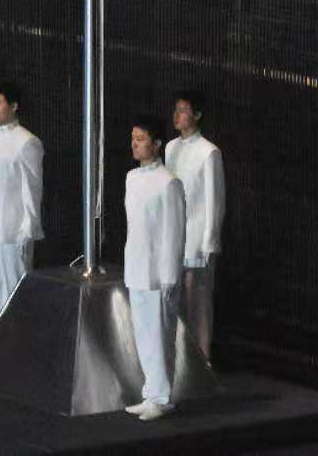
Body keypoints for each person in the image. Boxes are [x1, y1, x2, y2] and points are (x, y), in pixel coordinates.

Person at [124, 115, 186, 423]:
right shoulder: (132, 178)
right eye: (133, 139)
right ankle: (151, 392)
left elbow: (173, 233)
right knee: (143, 334)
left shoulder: (168, 182)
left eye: (141, 139)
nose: (135, 144)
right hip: (136, 265)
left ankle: (161, 397)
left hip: (158, 271)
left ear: (157, 144)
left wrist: (169, 276)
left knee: (159, 333)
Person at [0, 79, 44, 319]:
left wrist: (28, 230)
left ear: (14, 106)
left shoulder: (27, 142)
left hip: (13, 230)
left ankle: (19, 350)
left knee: (16, 293)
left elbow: (32, 190)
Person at [165, 92, 224, 362]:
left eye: (184, 110)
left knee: (197, 301)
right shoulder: (170, 148)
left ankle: (203, 359)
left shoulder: (209, 151)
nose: (178, 115)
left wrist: (210, 241)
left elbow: (214, 199)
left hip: (198, 237)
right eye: (176, 109)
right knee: (175, 298)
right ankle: (181, 359)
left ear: (197, 115)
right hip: (175, 234)